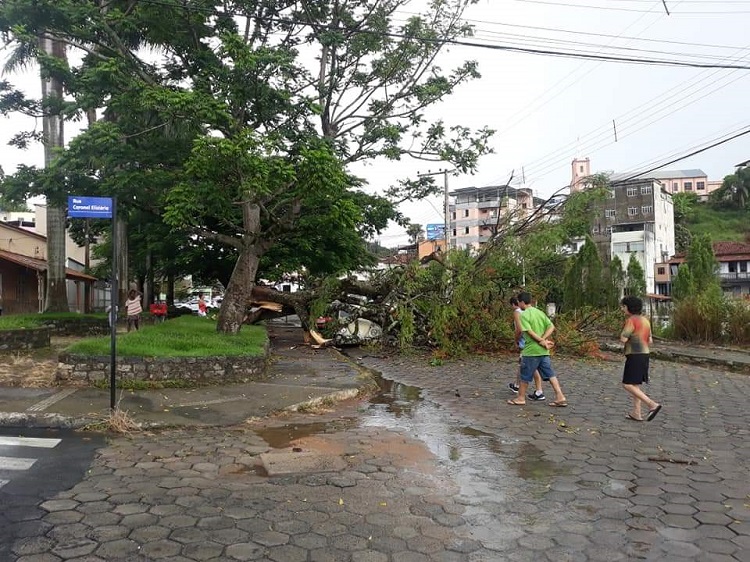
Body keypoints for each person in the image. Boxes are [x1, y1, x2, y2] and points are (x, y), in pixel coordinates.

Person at [507, 292, 568, 407]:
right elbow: (551, 326)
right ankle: (560, 396)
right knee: (550, 374)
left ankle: (520, 398)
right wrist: (544, 340)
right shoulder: (539, 312)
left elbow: (529, 332)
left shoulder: (524, 315)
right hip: (543, 351)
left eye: (519, 302)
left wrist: (541, 340)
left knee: (525, 376)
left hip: (531, 351)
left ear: (521, 302)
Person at [620, 296, 662, 422]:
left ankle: (651, 404)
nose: (622, 309)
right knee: (635, 384)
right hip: (645, 354)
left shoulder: (631, 320)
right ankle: (636, 413)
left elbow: (623, 338)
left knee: (627, 384)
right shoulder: (645, 320)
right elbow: (650, 340)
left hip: (634, 355)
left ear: (629, 307)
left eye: (623, 306)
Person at [507, 296, 545, 401]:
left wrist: (516, 340)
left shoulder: (517, 312)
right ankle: (517, 385)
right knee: (523, 363)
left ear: (516, 304)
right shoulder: (532, 312)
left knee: (530, 365)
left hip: (525, 341)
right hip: (533, 339)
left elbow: (519, 328)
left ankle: (538, 391)